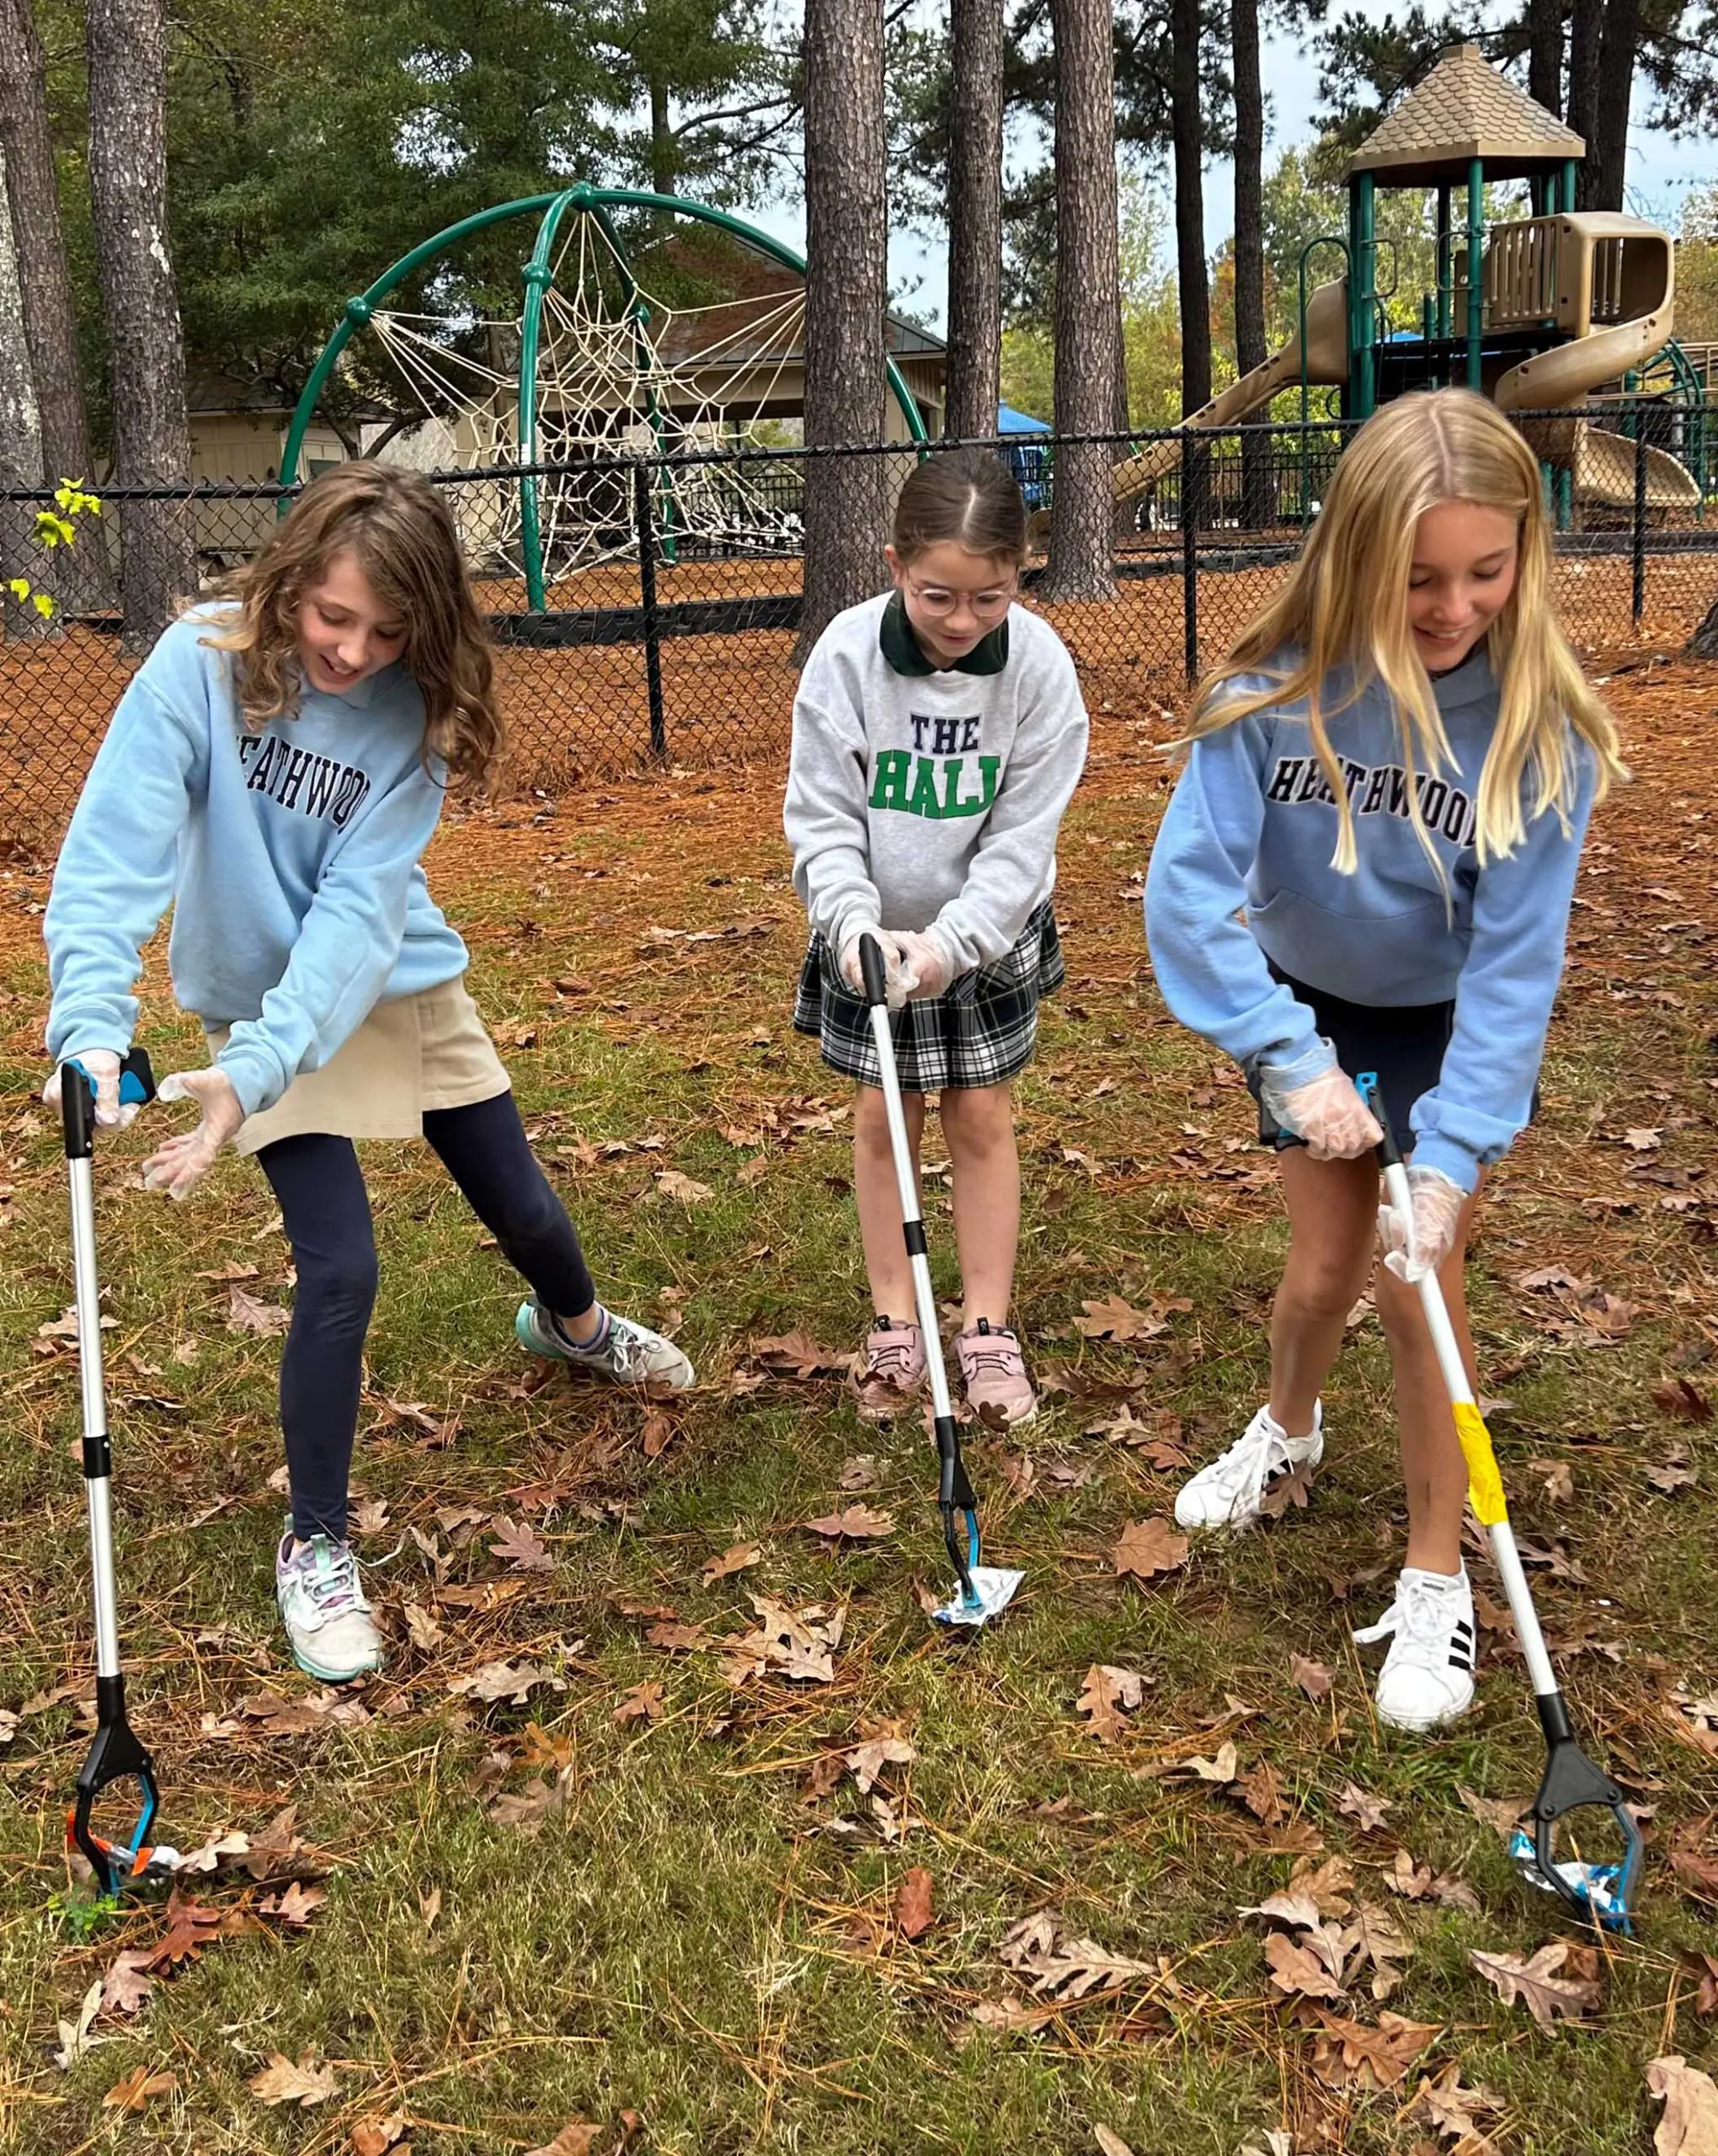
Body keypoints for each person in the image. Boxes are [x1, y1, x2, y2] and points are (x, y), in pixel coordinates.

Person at [43, 464, 693, 1684]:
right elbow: (112, 847)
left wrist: (264, 1067)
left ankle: (576, 1328)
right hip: (255, 1001)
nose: (352, 651)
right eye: (333, 617)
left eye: (388, 631)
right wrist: (95, 1018)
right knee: (342, 1265)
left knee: (528, 1210)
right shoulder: (198, 661)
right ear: (290, 580)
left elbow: (355, 920)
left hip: (386, 979)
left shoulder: (415, 717)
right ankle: (319, 1544)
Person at [1144, 390, 1624, 1733]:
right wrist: (1289, 1063)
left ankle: (1434, 1574)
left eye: (1487, 570)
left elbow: (1520, 969)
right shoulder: (1272, 697)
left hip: (1441, 1019)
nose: (1456, 606)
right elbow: (1189, 898)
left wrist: (1455, 1158)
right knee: (1323, 1271)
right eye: (1419, 578)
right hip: (1307, 1009)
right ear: (1353, 554)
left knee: (1419, 1285)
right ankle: (1287, 1427)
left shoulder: (1541, 732)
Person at [785, 448, 1089, 1428]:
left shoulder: (1040, 669)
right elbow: (824, 816)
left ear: (1021, 575)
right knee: (884, 1121)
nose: (963, 623)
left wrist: (953, 944)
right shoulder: (842, 657)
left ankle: (986, 1325)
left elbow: (1020, 841)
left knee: (980, 1115)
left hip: (980, 936)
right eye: (938, 597)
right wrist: (850, 926)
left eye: (989, 600)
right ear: (893, 565)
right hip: (870, 933)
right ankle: (894, 1321)